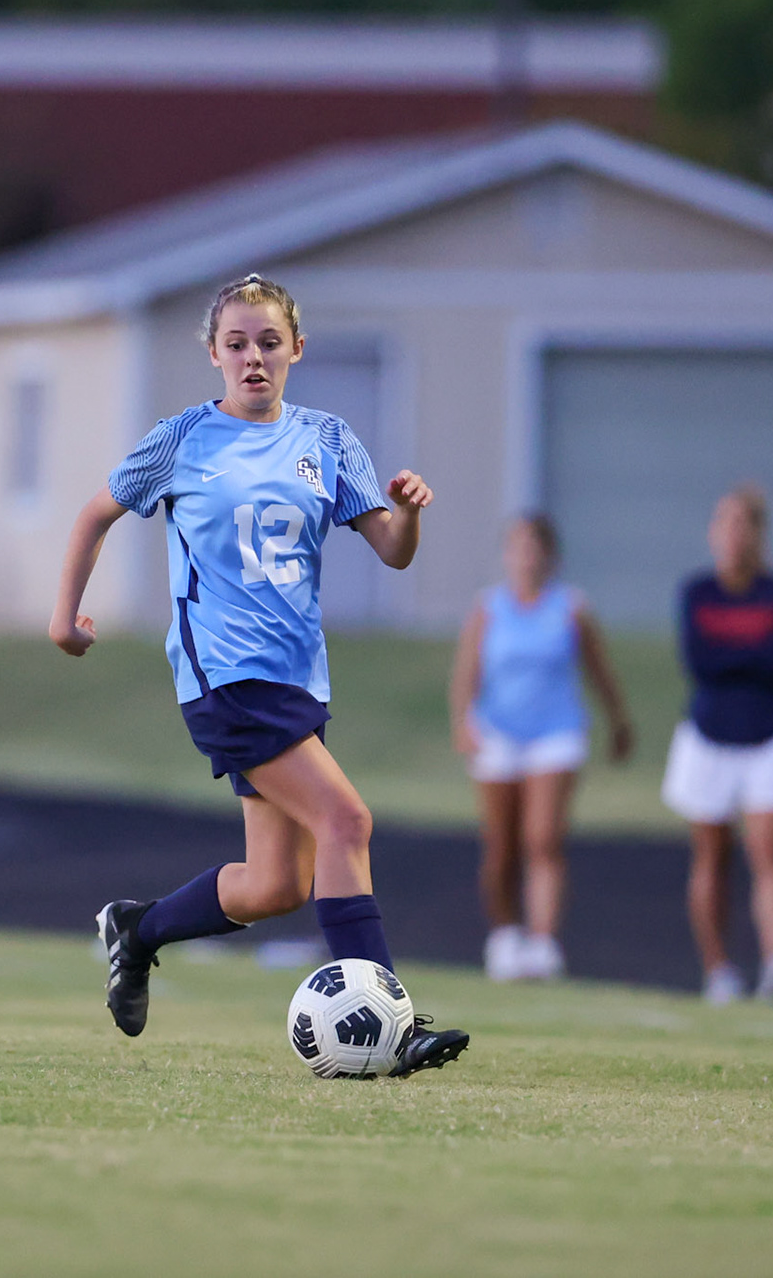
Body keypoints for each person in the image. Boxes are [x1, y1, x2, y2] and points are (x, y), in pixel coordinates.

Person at [50, 274, 469, 1078]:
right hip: (224, 679)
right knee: (348, 821)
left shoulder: (328, 439)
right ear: (212, 354)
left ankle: (137, 931)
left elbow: (391, 548)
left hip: (297, 681)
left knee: (278, 884)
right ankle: (397, 1025)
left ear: (296, 351)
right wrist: (63, 617)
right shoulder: (181, 439)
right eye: (236, 344)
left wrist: (408, 510)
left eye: (269, 343)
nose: (253, 358)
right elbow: (94, 514)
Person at [448, 515, 632, 981]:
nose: (526, 557)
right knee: (501, 845)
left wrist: (618, 720)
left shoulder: (570, 608)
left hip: (556, 732)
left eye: (534, 547)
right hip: (498, 731)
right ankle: (506, 935)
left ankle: (544, 942)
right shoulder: (487, 608)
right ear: (506, 555)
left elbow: (599, 670)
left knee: (543, 838)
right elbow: (467, 673)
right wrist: (463, 723)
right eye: (517, 547)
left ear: (550, 555)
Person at [662, 485, 773, 1004]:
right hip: (708, 737)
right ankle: (719, 968)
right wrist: (748, 657)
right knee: (712, 855)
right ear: (713, 533)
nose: (735, 533)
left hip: (768, 736)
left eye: (745, 523)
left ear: (759, 533)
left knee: (769, 854)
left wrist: (737, 658)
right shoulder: (699, 592)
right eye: (726, 522)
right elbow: (700, 662)